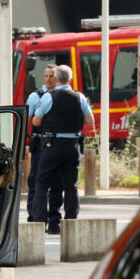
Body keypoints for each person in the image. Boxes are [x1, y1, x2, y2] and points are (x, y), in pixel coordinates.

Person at [31, 64, 95, 234]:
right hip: (72, 146)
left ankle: (39, 221)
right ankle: (71, 220)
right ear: (70, 79)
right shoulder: (79, 97)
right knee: (71, 185)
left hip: (52, 146)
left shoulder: (48, 97)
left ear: (56, 78)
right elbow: (90, 121)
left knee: (42, 183)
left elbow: (35, 122)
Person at [25, 64, 64, 223]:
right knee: (35, 181)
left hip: (58, 145)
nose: (48, 79)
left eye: (51, 76)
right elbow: (27, 122)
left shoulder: (64, 95)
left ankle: (54, 219)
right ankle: (34, 217)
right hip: (40, 145)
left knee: (57, 182)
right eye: (46, 76)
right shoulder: (35, 96)